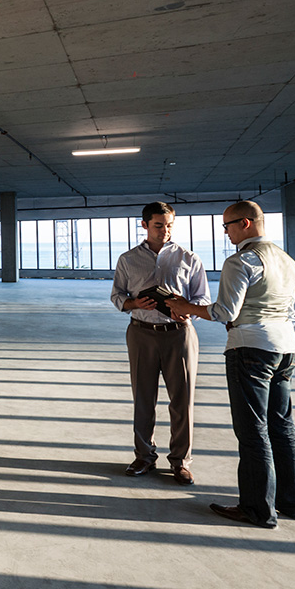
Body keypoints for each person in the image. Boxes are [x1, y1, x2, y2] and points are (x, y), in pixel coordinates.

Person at [168, 200, 295, 529]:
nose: (226, 232)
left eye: (227, 225)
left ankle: (257, 508)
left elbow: (224, 313)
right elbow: (287, 310)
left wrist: (183, 305)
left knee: (252, 431)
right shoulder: (287, 260)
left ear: (245, 223)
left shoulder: (241, 260)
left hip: (251, 348)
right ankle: (293, 501)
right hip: (287, 347)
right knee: (283, 428)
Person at [111, 201, 210, 485]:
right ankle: (144, 456)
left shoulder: (189, 258)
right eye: (158, 225)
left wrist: (186, 308)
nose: (165, 231)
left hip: (179, 333)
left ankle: (181, 462)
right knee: (143, 398)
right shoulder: (128, 259)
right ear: (144, 225)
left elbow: (203, 299)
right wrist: (133, 302)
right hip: (140, 332)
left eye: (169, 226)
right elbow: (117, 295)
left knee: (182, 400)